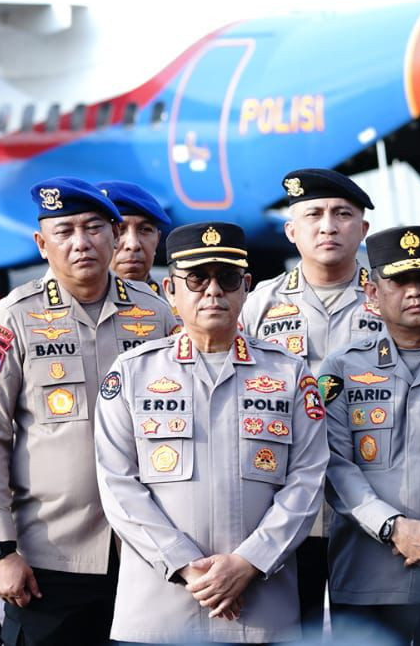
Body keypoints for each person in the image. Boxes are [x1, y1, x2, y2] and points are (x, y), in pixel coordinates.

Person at [0, 177, 174, 643]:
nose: (81, 243)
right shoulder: (14, 316)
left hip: (144, 549)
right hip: (50, 553)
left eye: (94, 228)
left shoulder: (156, 313)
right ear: (42, 244)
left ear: (114, 235)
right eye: (64, 231)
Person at [95, 222, 327, 643]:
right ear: (170, 289)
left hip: (261, 610)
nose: (213, 291)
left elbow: (308, 480)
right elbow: (117, 484)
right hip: (157, 613)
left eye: (228, 278)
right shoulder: (131, 373)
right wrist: (186, 566)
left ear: (247, 287)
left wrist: (249, 563)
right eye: (198, 278)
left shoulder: (289, 373)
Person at [318, 225, 420, 644]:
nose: (414, 291)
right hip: (367, 575)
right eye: (399, 281)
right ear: (373, 294)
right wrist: (393, 527)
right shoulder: (341, 369)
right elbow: (333, 465)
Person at [241, 166, 385, 636]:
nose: (328, 225)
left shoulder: (389, 300)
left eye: (342, 214)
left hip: (370, 509)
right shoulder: (258, 304)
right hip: (282, 509)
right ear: (291, 230)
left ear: (363, 229)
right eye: (314, 214)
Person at [99, 179, 172, 294]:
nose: (133, 244)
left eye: (145, 230)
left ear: (157, 240)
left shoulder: (179, 307)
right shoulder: (68, 310)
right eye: (118, 230)